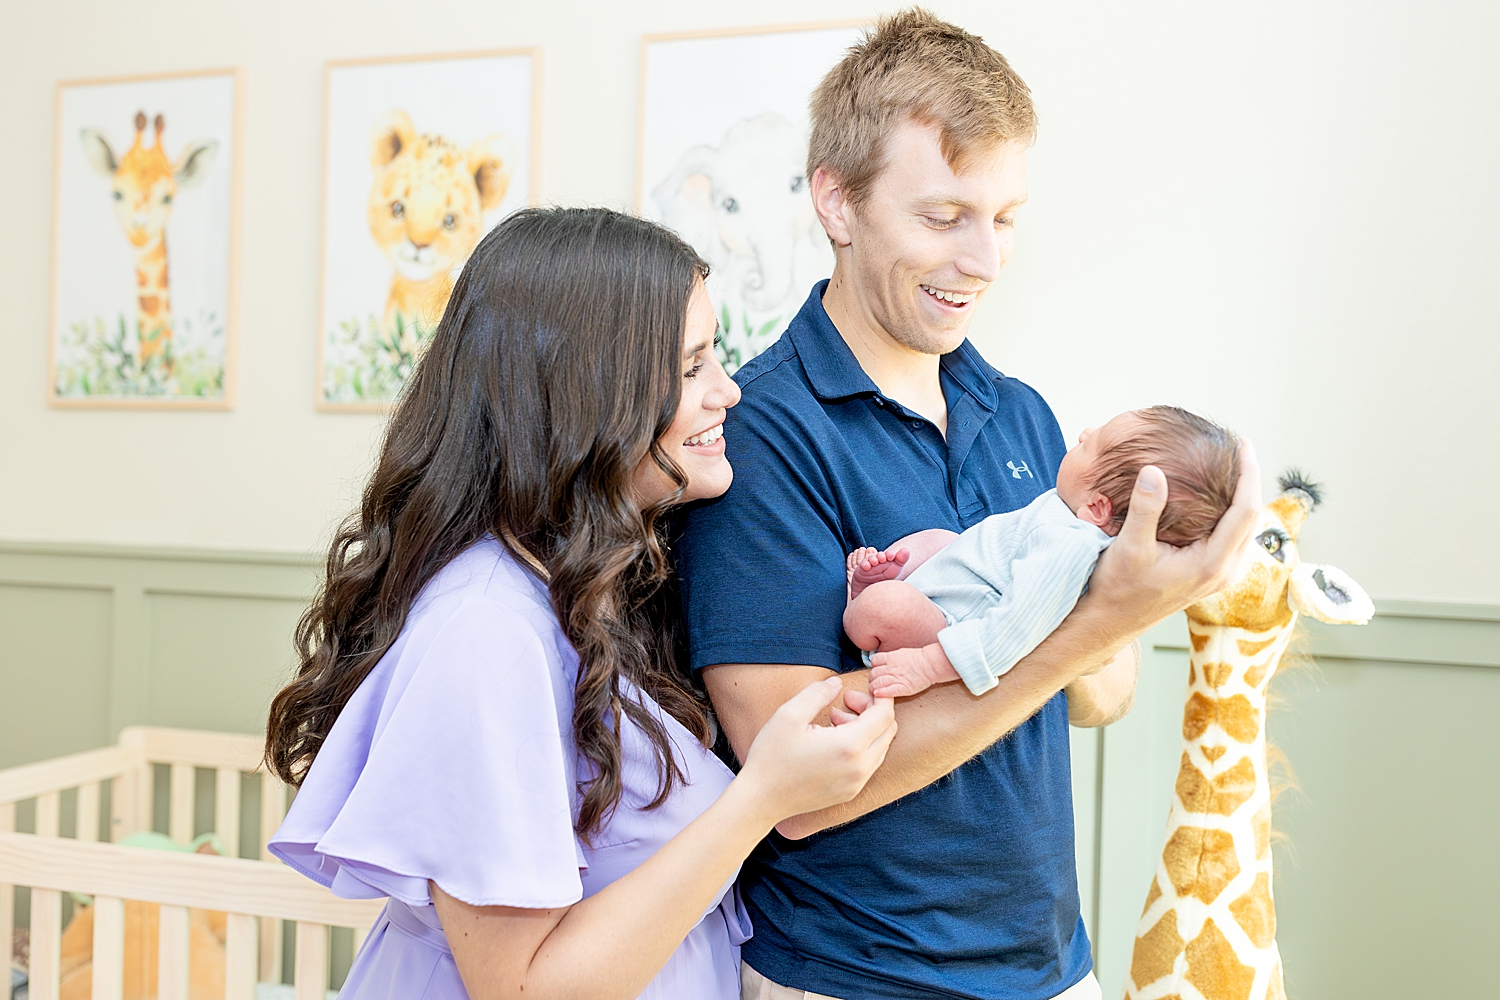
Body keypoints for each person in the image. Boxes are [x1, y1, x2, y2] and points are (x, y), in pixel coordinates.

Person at [674, 11, 1262, 1000]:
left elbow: (1103, 697)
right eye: (944, 217)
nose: (985, 261)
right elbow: (801, 791)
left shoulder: (1028, 418)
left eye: (1004, 217)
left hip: (1050, 968)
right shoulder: (763, 435)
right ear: (838, 201)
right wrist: (1087, 623)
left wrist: (1082, 630)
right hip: (852, 976)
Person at [262, 207, 897, 1000]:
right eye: (692, 366)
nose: (728, 390)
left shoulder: (593, 588)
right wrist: (762, 798)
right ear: (588, 395)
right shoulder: (486, 630)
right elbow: (521, 987)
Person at [846, 406, 1241, 698]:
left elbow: (1012, 631)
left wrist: (928, 666)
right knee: (938, 540)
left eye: (1095, 445)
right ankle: (884, 586)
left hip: (955, 627)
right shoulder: (1067, 516)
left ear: (1098, 508)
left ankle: (866, 604)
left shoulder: (1071, 545)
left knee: (883, 606)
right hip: (960, 587)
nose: (1084, 434)